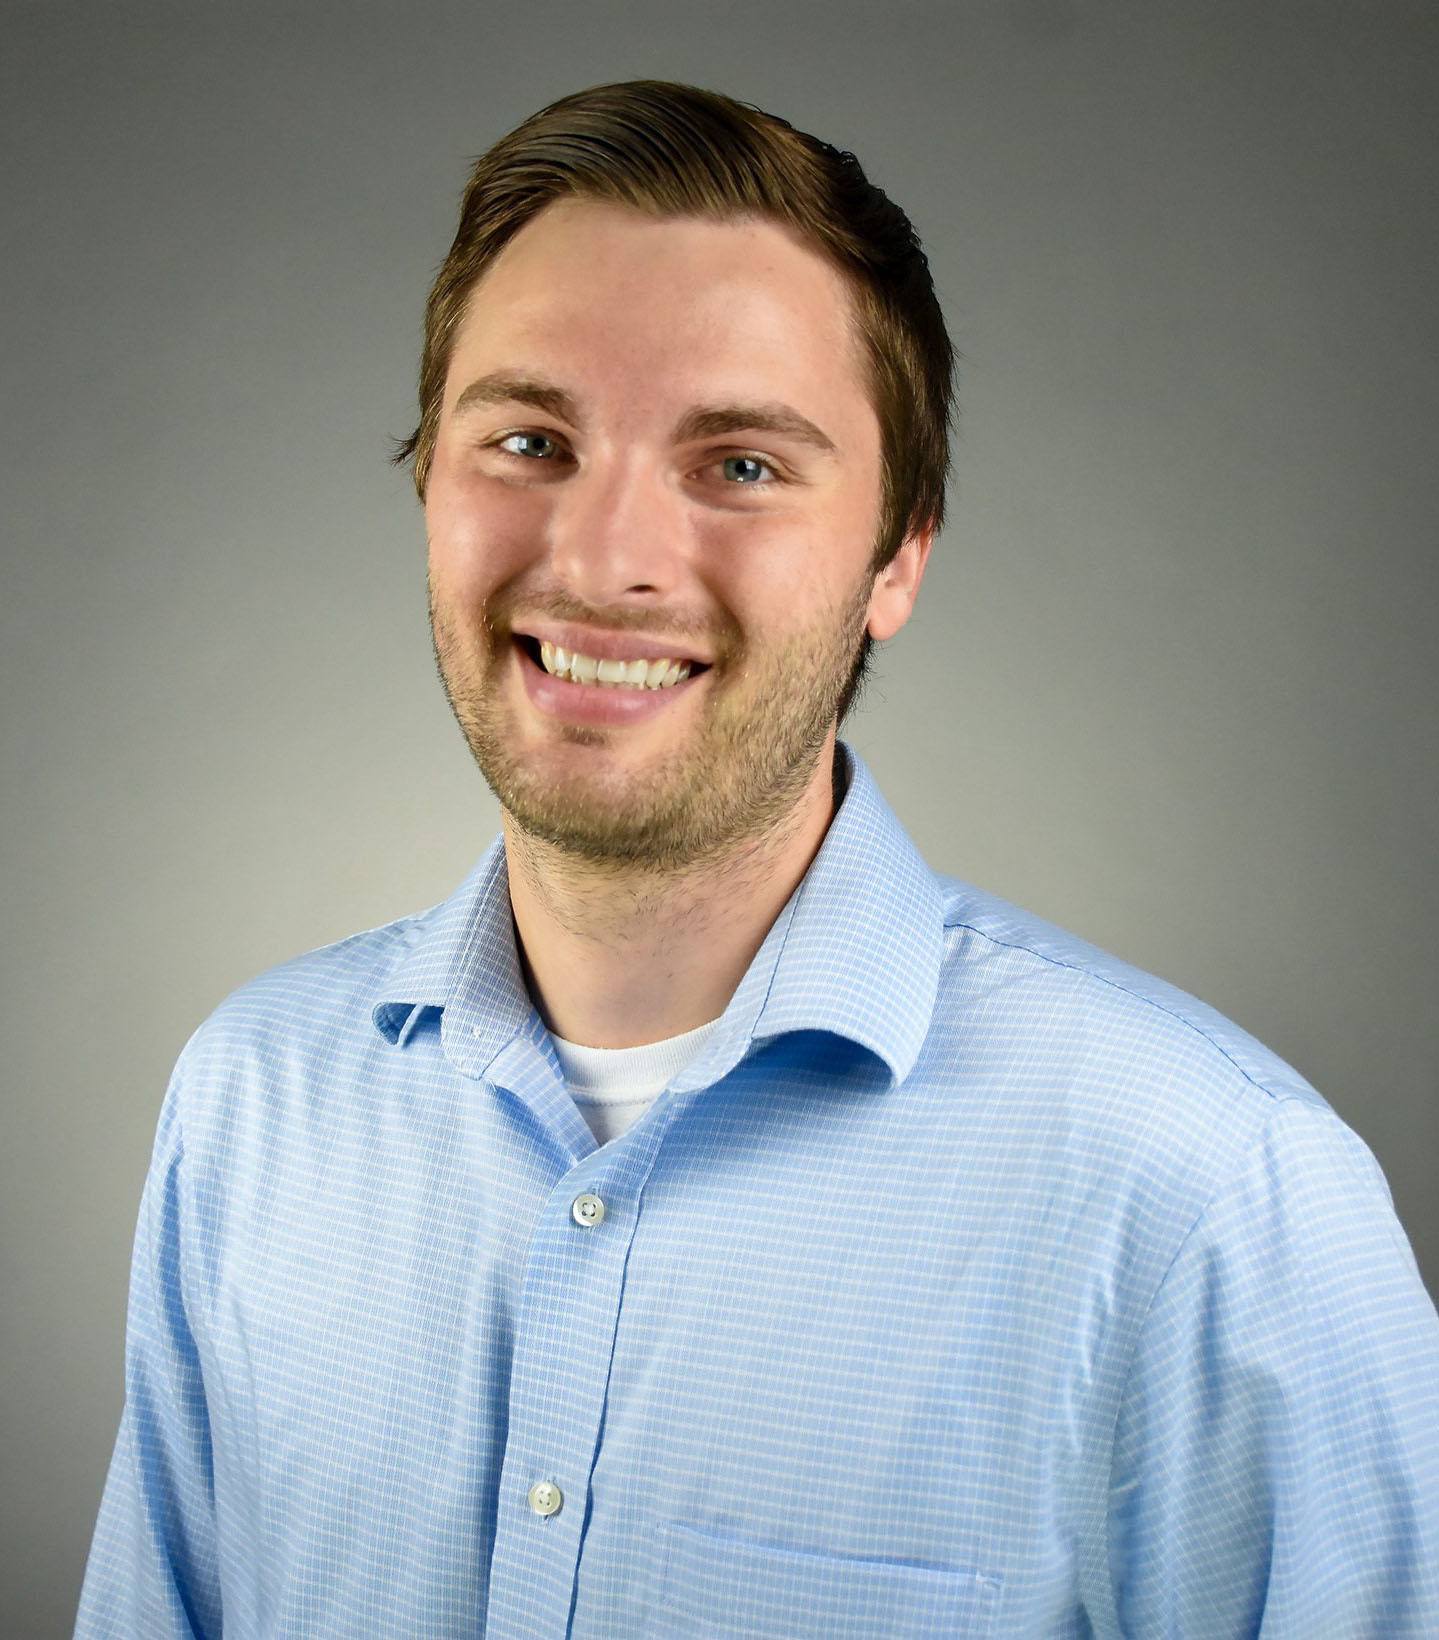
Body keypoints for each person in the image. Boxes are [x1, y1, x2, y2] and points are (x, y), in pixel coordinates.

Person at [75, 79, 1438, 1639]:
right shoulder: (250, 1106)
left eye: (739, 466)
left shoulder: (1216, 1202)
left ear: (898, 556)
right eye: (528, 438)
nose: (599, 562)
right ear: (426, 482)